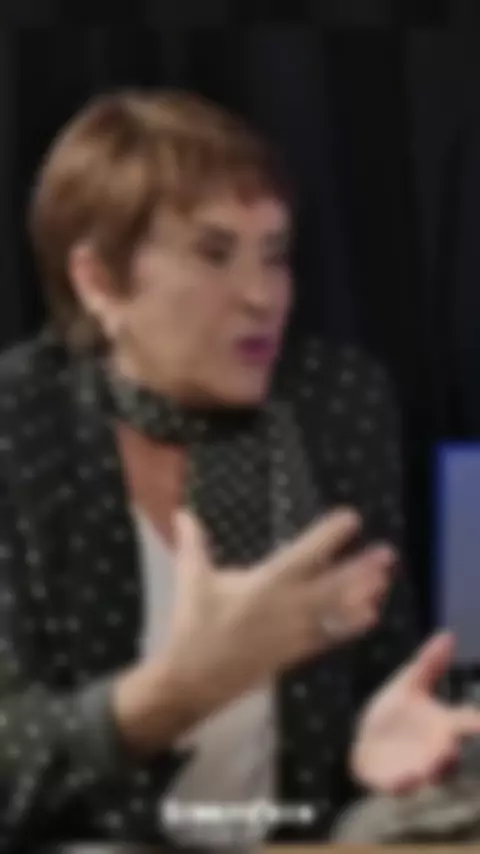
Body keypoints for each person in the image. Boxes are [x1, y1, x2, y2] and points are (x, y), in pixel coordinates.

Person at [0, 87, 471, 850]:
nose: (264, 296)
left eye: (275, 255)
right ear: (99, 282)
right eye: (213, 254)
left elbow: (386, 676)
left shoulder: (333, 400)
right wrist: (180, 689)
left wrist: (390, 742)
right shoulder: (19, 426)